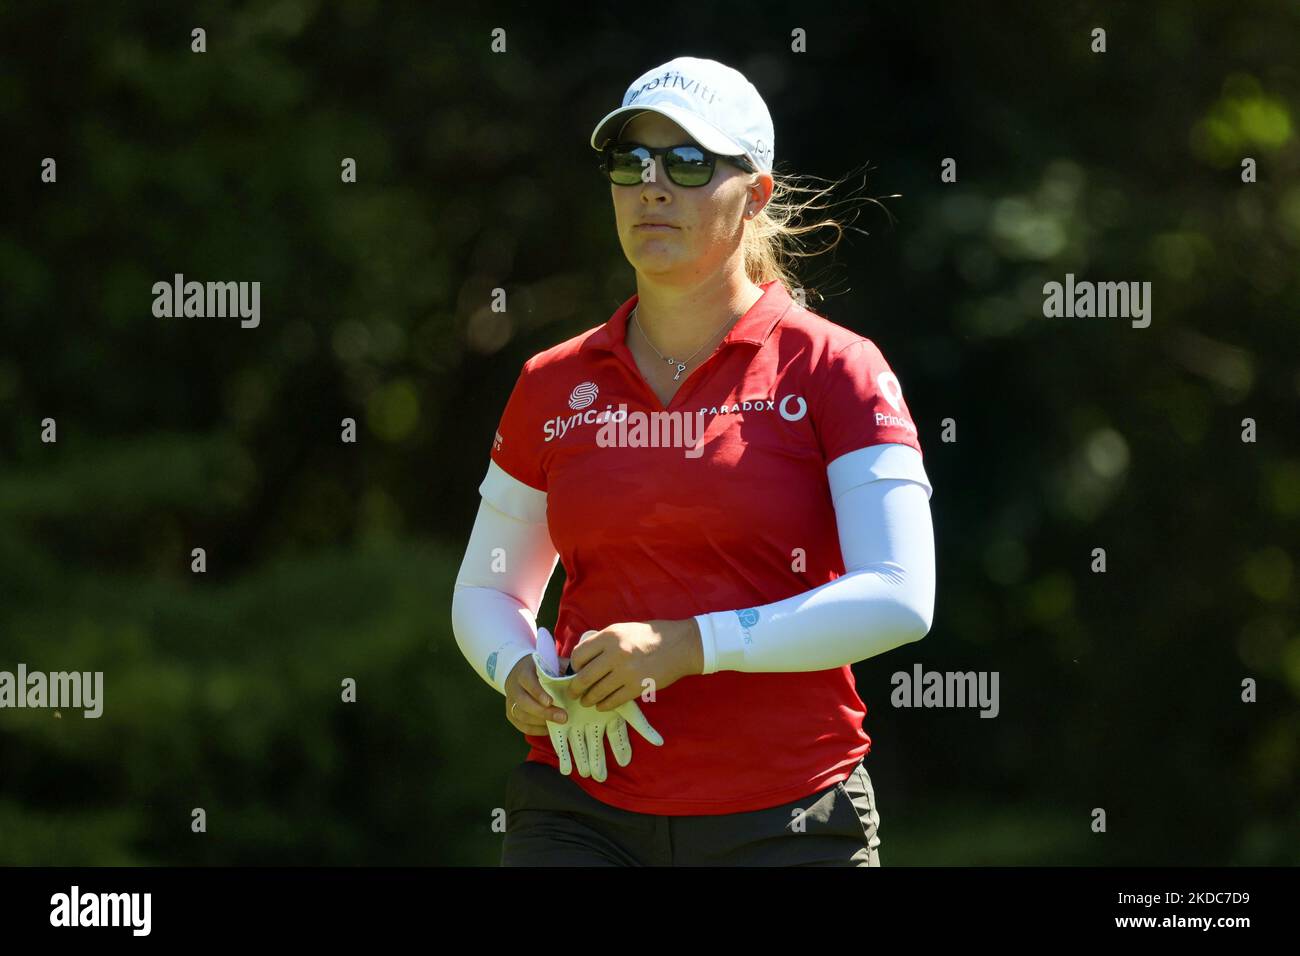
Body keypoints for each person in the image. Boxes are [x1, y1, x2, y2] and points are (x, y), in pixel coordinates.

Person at [451, 55, 936, 866]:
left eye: (687, 162)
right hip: (578, 802)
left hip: (788, 816)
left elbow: (900, 595)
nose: (652, 186)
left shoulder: (836, 369)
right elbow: (488, 587)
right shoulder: (551, 382)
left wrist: (691, 645)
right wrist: (519, 669)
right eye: (629, 161)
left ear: (757, 194)